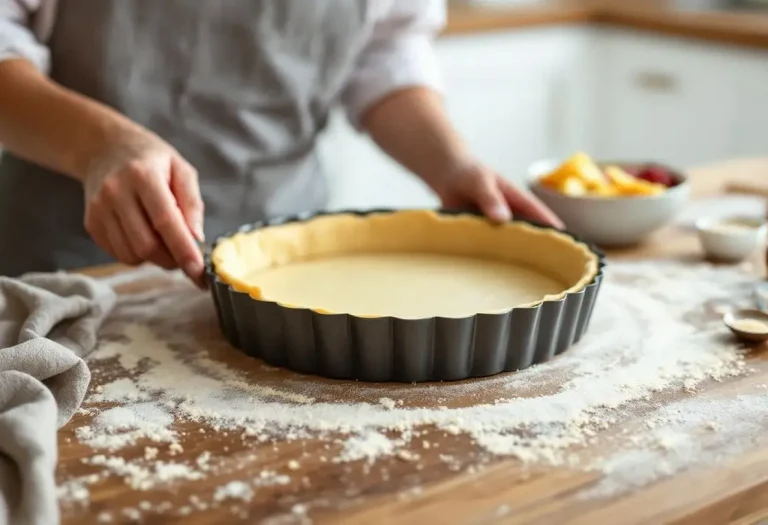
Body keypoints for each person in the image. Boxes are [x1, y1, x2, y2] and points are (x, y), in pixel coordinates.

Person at [0, 0, 562, 286]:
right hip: (71, 271)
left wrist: (450, 163)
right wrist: (102, 145)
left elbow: (383, 54)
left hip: (291, 266)